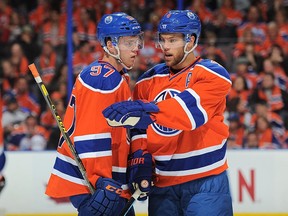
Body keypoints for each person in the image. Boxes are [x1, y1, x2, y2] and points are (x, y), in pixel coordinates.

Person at [103, 10, 233, 215]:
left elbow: (188, 114)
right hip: (162, 185)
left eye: (172, 40)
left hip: (205, 181)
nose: (165, 47)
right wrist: (140, 160)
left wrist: (147, 109)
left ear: (190, 41)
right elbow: (139, 130)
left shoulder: (213, 74)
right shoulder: (148, 80)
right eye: (162, 40)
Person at [45, 12, 150, 216]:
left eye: (137, 41)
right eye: (129, 43)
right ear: (110, 45)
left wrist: (134, 168)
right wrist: (100, 181)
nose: (136, 48)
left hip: (108, 180)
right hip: (96, 184)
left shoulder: (115, 76)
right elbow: (92, 134)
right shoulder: (104, 78)